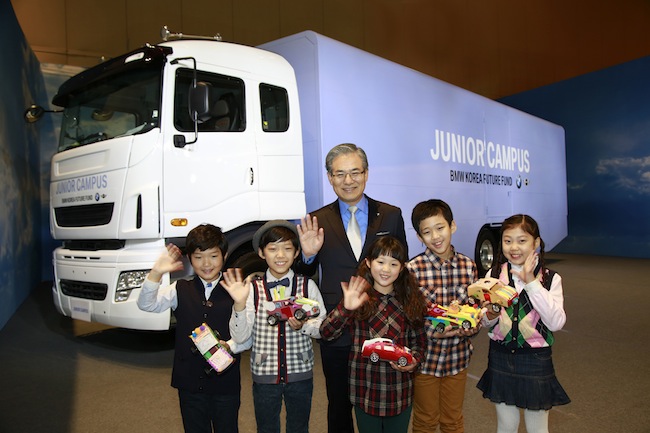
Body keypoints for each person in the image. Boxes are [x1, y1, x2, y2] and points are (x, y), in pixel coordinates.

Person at [295, 143, 408, 433]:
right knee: (339, 404)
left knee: (384, 401)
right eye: (340, 174)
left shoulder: (391, 214)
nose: (348, 180)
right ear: (330, 177)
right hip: (339, 325)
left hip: (383, 325)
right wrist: (307, 255)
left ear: (366, 174)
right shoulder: (317, 219)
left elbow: (401, 266)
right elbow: (304, 275)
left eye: (355, 172)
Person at [137, 223, 250, 433]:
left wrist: (231, 342)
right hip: (189, 381)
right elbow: (146, 304)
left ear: (224, 256)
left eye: (213, 256)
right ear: (190, 258)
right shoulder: (180, 288)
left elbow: (246, 337)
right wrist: (156, 273)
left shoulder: (237, 290)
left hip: (225, 382)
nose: (206, 263)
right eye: (198, 257)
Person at [221, 220, 326, 433]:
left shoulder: (307, 286)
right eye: (272, 249)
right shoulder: (252, 289)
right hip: (264, 374)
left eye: (287, 248)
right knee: (266, 427)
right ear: (261, 253)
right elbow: (242, 337)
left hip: (301, 373)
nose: (280, 255)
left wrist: (304, 326)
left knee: (299, 427)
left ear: (297, 252)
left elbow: (322, 327)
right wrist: (239, 305)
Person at [319, 236, 427, 433]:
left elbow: (419, 342)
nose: (386, 269)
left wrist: (415, 360)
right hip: (365, 391)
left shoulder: (409, 300)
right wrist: (346, 308)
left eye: (393, 264)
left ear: (402, 268)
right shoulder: (358, 297)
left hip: (400, 392)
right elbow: (326, 333)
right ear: (368, 263)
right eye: (380, 262)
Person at [476, 214, 570, 433]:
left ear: (535, 243)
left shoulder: (550, 278)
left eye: (522, 240)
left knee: (537, 429)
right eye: (507, 240)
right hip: (500, 355)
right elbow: (487, 322)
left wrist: (532, 283)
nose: (514, 247)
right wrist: (490, 313)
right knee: (506, 426)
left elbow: (556, 322)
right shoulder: (494, 274)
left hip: (535, 359)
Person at [406, 199, 480, 433]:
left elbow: (474, 308)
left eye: (440, 228)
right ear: (419, 236)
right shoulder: (413, 270)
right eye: (427, 232)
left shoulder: (468, 266)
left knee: (453, 420)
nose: (435, 236)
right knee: (425, 421)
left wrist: (471, 327)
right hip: (426, 360)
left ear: (452, 226)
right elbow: (410, 317)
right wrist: (433, 331)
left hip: (457, 358)